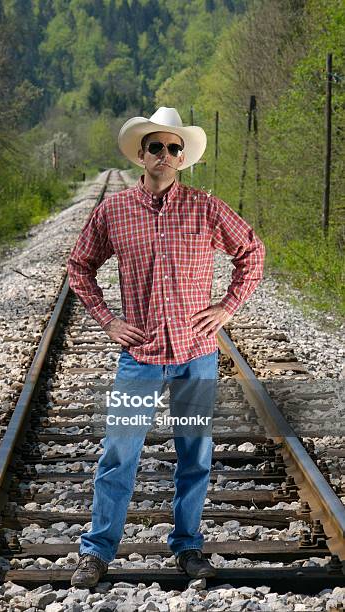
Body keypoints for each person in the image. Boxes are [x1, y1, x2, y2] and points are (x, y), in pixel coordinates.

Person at [67, 107, 265, 587]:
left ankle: (189, 546)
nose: (166, 155)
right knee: (119, 453)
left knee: (194, 453)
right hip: (140, 356)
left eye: (175, 148)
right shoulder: (114, 212)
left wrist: (226, 308)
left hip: (196, 354)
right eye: (157, 146)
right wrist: (109, 321)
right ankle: (97, 552)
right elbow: (79, 267)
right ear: (141, 153)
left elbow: (252, 252)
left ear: (183, 157)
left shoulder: (206, 208)